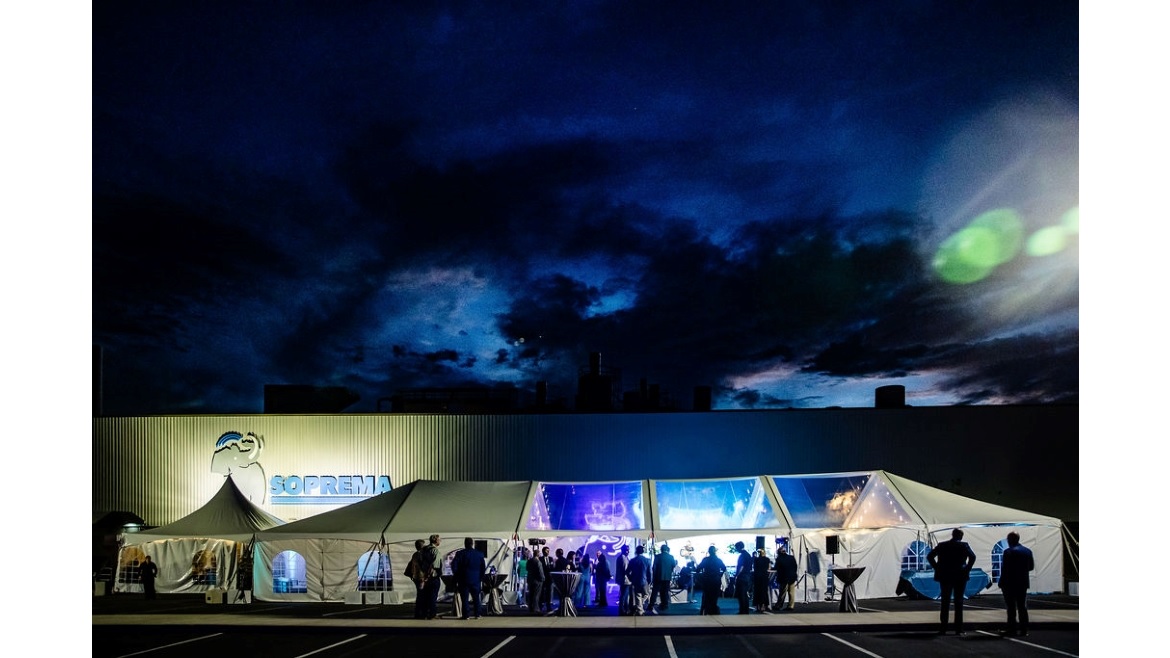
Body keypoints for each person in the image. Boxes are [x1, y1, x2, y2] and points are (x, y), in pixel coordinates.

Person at [927, 528, 977, 635]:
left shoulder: (942, 545)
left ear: (952, 535)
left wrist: (937, 568)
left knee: (945, 601)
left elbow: (930, 556)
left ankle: (943, 627)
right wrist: (967, 568)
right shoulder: (964, 545)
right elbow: (972, 557)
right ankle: (958, 628)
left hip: (945, 575)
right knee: (959, 602)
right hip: (960, 575)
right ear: (961, 536)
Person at [998, 531, 1035, 637]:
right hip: (1022, 582)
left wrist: (1002, 581)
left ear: (1010, 540)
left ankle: (1011, 629)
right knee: (1022, 606)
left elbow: (1005, 569)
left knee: (1011, 607)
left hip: (1010, 583)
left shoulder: (1008, 552)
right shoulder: (1027, 551)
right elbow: (1031, 567)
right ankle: (1024, 629)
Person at [452, 537, 487, 619]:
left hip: (463, 579)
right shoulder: (479, 554)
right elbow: (483, 567)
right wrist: (481, 577)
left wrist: (457, 575)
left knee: (464, 598)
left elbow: (454, 565)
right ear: (472, 543)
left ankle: (466, 615)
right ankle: (477, 614)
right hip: (476, 579)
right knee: (476, 598)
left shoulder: (460, 553)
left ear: (465, 544)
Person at [649, 543, 677, 614]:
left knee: (655, 592)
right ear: (668, 550)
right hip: (667, 577)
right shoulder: (671, 557)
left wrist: (653, 577)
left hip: (658, 577)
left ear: (661, 550)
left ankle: (651, 605)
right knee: (665, 592)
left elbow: (654, 567)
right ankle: (664, 605)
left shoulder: (657, 557)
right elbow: (673, 565)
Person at [420, 534, 443, 620]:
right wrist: (428, 576)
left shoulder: (424, 550)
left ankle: (424, 613)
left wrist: (424, 578)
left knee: (425, 596)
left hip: (424, 575)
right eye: (439, 539)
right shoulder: (435, 551)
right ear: (435, 540)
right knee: (433, 596)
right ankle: (432, 614)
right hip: (433, 577)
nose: (440, 541)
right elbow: (434, 566)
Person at [697, 545, 726, 615]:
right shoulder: (718, 560)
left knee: (706, 595)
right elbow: (724, 568)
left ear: (709, 552)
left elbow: (698, 569)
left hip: (707, 580)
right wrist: (719, 574)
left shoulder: (705, 560)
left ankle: (705, 609)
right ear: (715, 552)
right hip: (716, 580)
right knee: (714, 596)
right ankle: (713, 610)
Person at [625, 544, 652, 616]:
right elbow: (649, 572)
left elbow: (627, 571)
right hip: (645, 581)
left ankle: (640, 609)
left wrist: (631, 578)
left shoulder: (632, 560)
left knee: (638, 595)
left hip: (635, 580)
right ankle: (640, 607)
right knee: (646, 594)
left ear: (636, 552)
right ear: (643, 552)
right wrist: (649, 581)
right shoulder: (647, 560)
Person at [774, 543, 798, 611]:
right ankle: (791, 606)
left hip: (784, 578)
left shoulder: (779, 559)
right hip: (792, 577)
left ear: (779, 552)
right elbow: (795, 566)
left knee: (782, 592)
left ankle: (778, 605)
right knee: (791, 592)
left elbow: (776, 568)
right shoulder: (791, 557)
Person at [409, 539, 429, 619]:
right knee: (422, 595)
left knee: (420, 595)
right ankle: (422, 613)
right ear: (422, 546)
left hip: (416, 577)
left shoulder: (415, 554)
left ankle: (418, 613)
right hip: (421, 578)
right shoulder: (421, 555)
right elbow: (422, 567)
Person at [734, 541, 754, 613]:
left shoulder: (742, 556)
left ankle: (742, 610)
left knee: (741, 594)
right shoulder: (748, 555)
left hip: (742, 577)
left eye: (736, 548)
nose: (736, 549)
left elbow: (741, 566)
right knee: (745, 594)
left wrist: (736, 575)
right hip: (747, 576)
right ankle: (745, 609)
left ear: (739, 547)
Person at [525, 546, 546, 615]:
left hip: (530, 579)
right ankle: (536, 609)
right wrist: (543, 578)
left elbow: (527, 568)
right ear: (538, 554)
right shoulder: (538, 562)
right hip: (537, 581)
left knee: (531, 594)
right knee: (536, 595)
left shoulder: (529, 561)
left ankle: (530, 608)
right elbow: (540, 571)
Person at [615, 544, 632, 615]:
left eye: (628, 550)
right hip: (625, 580)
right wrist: (631, 577)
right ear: (623, 550)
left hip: (623, 579)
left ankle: (625, 609)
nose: (628, 551)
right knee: (624, 596)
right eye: (626, 550)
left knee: (624, 595)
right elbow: (626, 570)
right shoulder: (623, 558)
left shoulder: (621, 557)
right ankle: (623, 610)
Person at [540, 545, 555, 614]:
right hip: (543, 577)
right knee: (542, 591)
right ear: (543, 551)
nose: (548, 552)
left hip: (549, 578)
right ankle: (541, 605)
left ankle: (549, 605)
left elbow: (552, 567)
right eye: (546, 551)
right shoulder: (540, 559)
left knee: (549, 592)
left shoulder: (551, 558)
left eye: (548, 551)